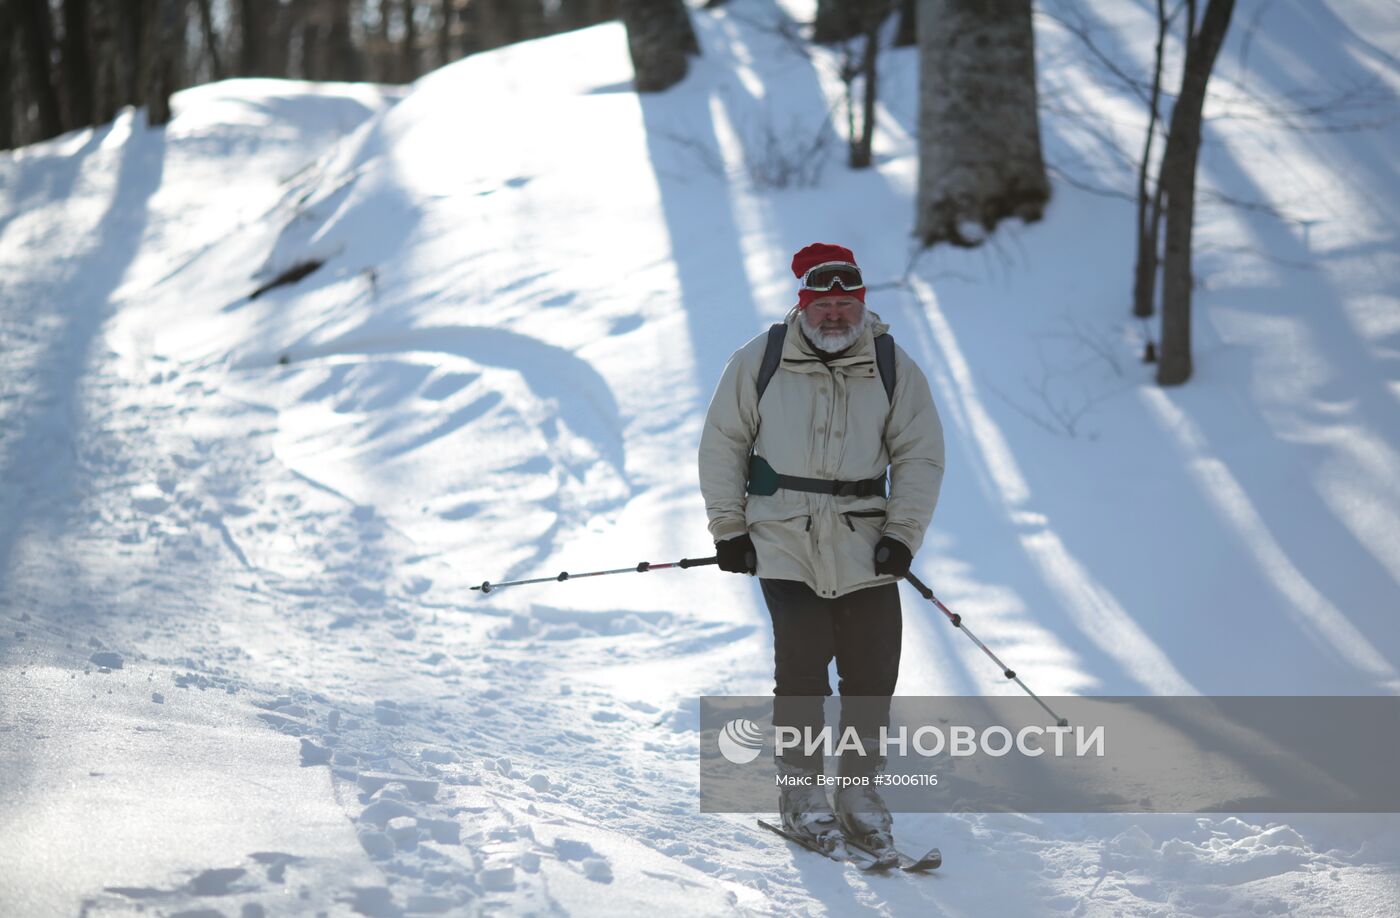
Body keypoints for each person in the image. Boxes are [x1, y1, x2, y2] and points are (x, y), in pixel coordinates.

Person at [698, 242, 945, 853]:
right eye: (823, 303)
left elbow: (920, 454)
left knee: (872, 672)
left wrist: (902, 535)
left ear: (860, 305)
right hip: (782, 537)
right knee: (803, 671)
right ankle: (802, 791)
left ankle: (859, 791)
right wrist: (729, 529)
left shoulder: (891, 364)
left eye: (845, 303)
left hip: (867, 540)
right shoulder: (761, 360)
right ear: (802, 304)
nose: (834, 315)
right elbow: (723, 443)